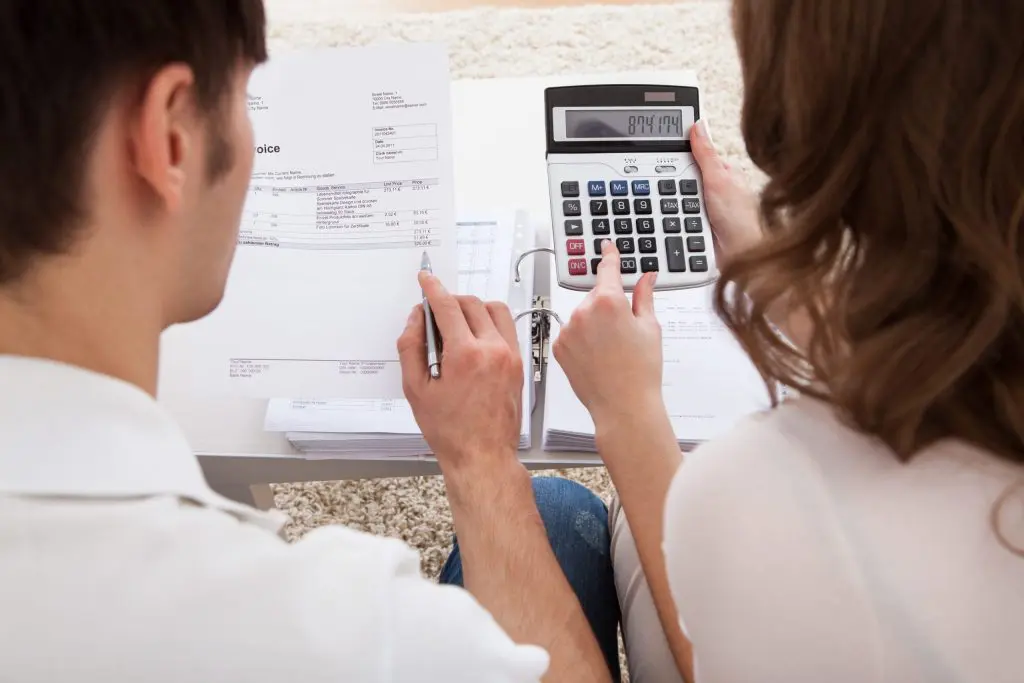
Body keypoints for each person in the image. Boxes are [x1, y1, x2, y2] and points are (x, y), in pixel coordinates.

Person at [0, 2, 620, 681]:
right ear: (171, 135)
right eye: (245, 98)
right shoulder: (351, 634)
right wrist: (482, 459)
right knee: (558, 511)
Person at [545, 0, 1024, 681]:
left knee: (554, 509)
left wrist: (627, 414)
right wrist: (783, 283)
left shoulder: (757, 491)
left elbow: (708, 655)